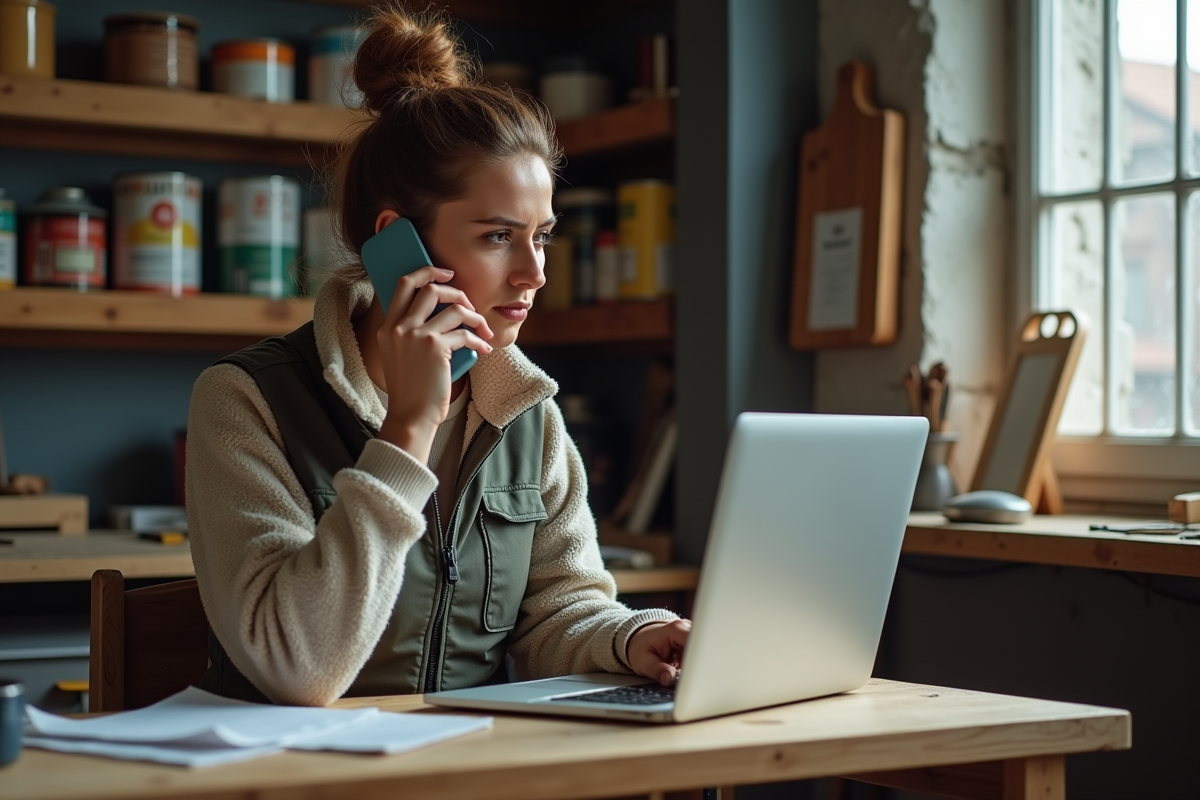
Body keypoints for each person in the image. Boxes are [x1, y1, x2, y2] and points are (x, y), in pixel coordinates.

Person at [185, 6, 690, 707]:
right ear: (399, 246)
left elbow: (558, 610)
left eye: (541, 236)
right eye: (496, 237)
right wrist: (407, 433)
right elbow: (294, 665)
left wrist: (632, 638)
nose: (534, 272)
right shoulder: (247, 401)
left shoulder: (526, 417)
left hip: (469, 767)